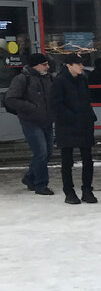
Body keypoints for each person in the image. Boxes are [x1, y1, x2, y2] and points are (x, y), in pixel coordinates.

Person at [5, 52, 55, 195]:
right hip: (30, 121)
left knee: (48, 152)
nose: (47, 67)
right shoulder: (22, 79)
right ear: (36, 65)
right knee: (41, 152)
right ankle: (41, 184)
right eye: (44, 64)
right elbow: (11, 98)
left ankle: (30, 177)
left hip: (47, 120)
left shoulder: (49, 78)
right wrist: (31, 108)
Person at [53, 54, 97, 205]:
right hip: (67, 126)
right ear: (69, 65)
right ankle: (69, 191)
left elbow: (86, 99)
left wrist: (89, 116)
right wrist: (73, 117)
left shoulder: (82, 79)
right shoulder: (59, 81)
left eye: (82, 64)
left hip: (84, 124)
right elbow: (57, 105)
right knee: (67, 160)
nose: (81, 66)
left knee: (88, 159)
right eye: (78, 64)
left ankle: (87, 190)